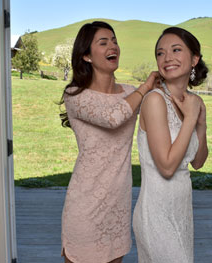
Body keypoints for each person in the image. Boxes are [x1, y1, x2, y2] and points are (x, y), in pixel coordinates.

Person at [59, 21, 158, 263]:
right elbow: (113, 118)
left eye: (114, 40)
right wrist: (146, 87)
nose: (113, 46)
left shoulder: (130, 93)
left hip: (118, 205)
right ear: (87, 56)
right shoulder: (75, 96)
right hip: (85, 205)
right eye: (103, 42)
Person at [132, 27, 209, 263]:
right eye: (160, 53)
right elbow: (166, 167)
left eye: (176, 50)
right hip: (155, 214)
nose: (167, 58)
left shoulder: (193, 102)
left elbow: (197, 162)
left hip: (181, 211)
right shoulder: (154, 101)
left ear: (194, 59)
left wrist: (201, 124)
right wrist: (190, 118)